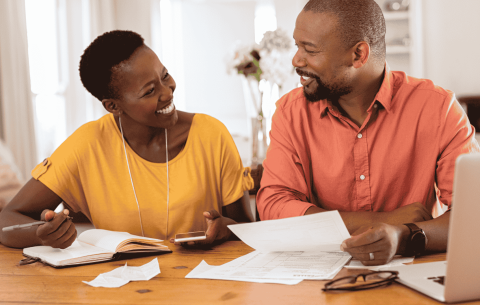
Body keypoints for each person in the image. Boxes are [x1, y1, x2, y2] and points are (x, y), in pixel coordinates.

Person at [257, 0, 480, 265]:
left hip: (414, 277)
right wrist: (380, 221)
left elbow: (472, 214)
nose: (296, 60)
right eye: (297, 46)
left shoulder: (438, 108)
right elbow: (273, 205)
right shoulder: (290, 113)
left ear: (359, 55)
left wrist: (402, 234)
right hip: (318, 279)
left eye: (310, 50)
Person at [0, 30, 253, 249]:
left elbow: (245, 229)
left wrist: (223, 230)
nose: (168, 91)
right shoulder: (87, 145)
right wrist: (41, 234)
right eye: (150, 91)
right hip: (121, 289)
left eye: (164, 76)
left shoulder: (211, 134)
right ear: (113, 106)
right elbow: (8, 218)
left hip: (206, 287)